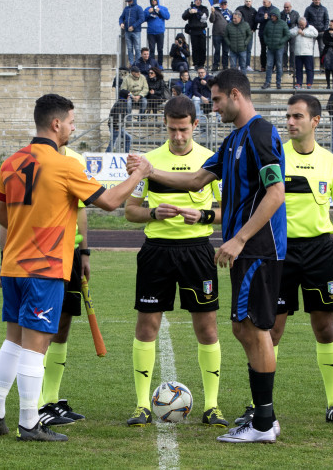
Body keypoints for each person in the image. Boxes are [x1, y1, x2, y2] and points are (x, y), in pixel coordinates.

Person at [127, 68, 287, 443]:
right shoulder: (234, 141)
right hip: (245, 248)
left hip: (258, 248)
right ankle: (264, 418)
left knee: (254, 329)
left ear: (234, 94)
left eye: (215, 100)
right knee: (244, 328)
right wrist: (152, 171)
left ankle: (263, 424)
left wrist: (239, 239)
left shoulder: (260, 133)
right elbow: (196, 179)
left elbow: (275, 192)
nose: (213, 107)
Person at [0, 93, 151, 442]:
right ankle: (29, 422)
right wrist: (141, 175)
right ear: (56, 124)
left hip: (13, 265)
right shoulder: (64, 165)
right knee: (35, 345)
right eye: (72, 122)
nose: (73, 128)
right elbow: (109, 202)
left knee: (13, 341)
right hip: (44, 269)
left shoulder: (11, 162)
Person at [235, 94, 333, 428]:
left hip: (320, 252)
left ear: (315, 121)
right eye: (288, 117)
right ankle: (257, 405)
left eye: (297, 117)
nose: (290, 123)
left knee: (324, 327)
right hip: (280, 251)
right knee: (271, 331)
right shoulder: (277, 157)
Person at [124, 96, 227, 428]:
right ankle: (142, 404)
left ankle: (212, 406)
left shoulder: (211, 162)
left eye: (183, 129)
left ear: (195, 125)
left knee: (207, 328)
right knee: (147, 326)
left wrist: (204, 215)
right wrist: (153, 212)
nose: (178, 136)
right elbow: (130, 210)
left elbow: (231, 214)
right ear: (164, 125)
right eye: (172, 129)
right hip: (157, 251)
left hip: (198, 251)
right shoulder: (148, 162)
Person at [37, 145, 91, 427]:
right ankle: (34, 406)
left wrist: (84, 252)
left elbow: (80, 210)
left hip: (69, 255)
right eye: (70, 122)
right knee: (40, 327)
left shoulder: (76, 159)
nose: (73, 127)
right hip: (42, 254)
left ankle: (50, 400)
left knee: (63, 326)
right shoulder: (32, 159)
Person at [261, 8, 290, 89]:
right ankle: (267, 82)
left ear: (277, 16)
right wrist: (267, 42)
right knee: (269, 65)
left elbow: (287, 34)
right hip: (270, 48)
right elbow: (265, 34)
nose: (272, 17)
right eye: (271, 16)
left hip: (279, 48)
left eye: (273, 16)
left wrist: (281, 41)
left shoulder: (283, 23)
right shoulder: (268, 23)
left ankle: (278, 83)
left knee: (279, 65)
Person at [182, 0, 209, 69]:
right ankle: (196, 63)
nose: (198, 2)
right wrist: (189, 12)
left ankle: (202, 63)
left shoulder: (204, 8)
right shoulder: (190, 8)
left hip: (201, 30)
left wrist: (197, 11)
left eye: (199, 0)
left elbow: (205, 16)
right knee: (195, 48)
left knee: (202, 48)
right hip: (193, 31)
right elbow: (184, 17)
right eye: (196, 1)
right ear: (194, 1)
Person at [119, 0, 146, 68]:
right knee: (130, 48)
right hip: (128, 32)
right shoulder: (126, 9)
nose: (128, 3)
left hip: (136, 31)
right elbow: (121, 17)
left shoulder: (138, 8)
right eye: (127, 1)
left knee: (137, 48)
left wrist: (133, 26)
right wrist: (121, 23)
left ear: (133, 0)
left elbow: (142, 19)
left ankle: (137, 64)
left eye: (130, 1)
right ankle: (131, 63)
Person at [291, 17, 318, 89]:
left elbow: (316, 34)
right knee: (298, 69)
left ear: (306, 23)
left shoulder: (311, 27)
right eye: (300, 25)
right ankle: (299, 83)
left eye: (302, 25)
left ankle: (309, 83)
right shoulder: (296, 28)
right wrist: (297, 32)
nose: (301, 26)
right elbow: (290, 33)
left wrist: (304, 33)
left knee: (309, 69)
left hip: (308, 52)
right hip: (298, 53)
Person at [303, 0, 329, 68]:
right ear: (312, 0)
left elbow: (327, 20)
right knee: (310, 49)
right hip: (312, 33)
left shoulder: (324, 9)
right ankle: (310, 65)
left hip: (321, 32)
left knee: (322, 49)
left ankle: (323, 65)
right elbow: (305, 20)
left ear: (320, 0)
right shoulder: (308, 9)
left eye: (318, 0)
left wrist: (324, 29)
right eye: (315, 0)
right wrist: (308, 29)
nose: (316, 1)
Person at [144, 0, 170, 67]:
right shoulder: (147, 9)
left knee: (160, 49)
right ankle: (152, 65)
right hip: (151, 33)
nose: (153, 1)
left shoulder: (162, 8)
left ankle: (160, 64)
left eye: (154, 0)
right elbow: (143, 18)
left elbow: (167, 16)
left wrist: (159, 11)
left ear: (157, 1)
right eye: (152, 0)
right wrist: (148, 13)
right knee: (151, 50)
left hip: (160, 32)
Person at [209, 0, 233, 71]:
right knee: (217, 50)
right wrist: (212, 13)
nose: (223, 6)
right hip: (217, 34)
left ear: (227, 5)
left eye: (225, 4)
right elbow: (212, 20)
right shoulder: (216, 11)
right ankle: (216, 65)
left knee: (225, 51)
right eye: (222, 4)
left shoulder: (229, 12)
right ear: (220, 5)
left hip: (226, 35)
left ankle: (225, 65)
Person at [236, 0, 258, 71]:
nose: (248, 2)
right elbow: (235, 18)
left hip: (249, 33)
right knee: (241, 49)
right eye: (247, 1)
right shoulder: (240, 9)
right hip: (241, 33)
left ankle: (247, 65)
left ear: (251, 2)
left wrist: (254, 29)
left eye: (249, 1)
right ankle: (240, 65)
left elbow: (256, 21)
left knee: (248, 49)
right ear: (244, 2)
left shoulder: (254, 11)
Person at [255, 0, 275, 72]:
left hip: (271, 33)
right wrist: (264, 18)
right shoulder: (261, 9)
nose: (263, 3)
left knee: (271, 50)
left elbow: (276, 19)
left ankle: (271, 66)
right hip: (262, 33)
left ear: (269, 2)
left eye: (264, 2)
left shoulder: (274, 9)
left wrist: (268, 18)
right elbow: (257, 19)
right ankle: (263, 66)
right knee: (263, 50)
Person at [281, 2, 300, 72]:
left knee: (292, 50)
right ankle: (284, 65)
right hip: (284, 35)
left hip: (293, 35)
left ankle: (292, 66)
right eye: (285, 7)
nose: (286, 9)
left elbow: (298, 24)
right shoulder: (281, 14)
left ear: (291, 7)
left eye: (287, 7)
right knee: (284, 50)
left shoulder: (295, 14)